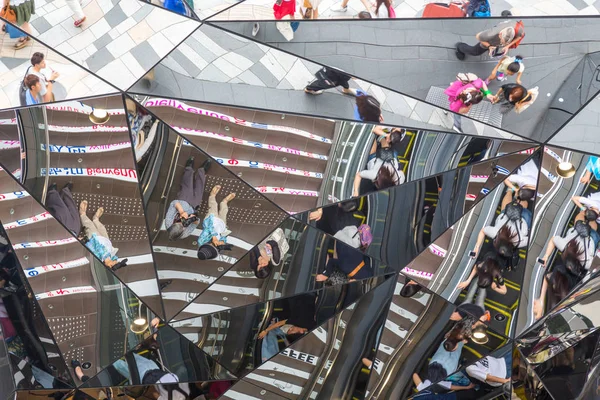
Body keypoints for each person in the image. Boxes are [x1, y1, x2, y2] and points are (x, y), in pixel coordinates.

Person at [165, 157, 211, 241]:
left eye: (180, 221)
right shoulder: (185, 234)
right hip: (193, 207)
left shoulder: (168, 222)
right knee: (199, 188)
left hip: (183, 200)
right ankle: (202, 170)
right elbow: (196, 223)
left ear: (173, 223)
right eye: (183, 225)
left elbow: (174, 203)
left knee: (187, 184)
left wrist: (181, 212)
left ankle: (188, 168)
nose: (182, 221)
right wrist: (193, 219)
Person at [352, 129, 405, 197]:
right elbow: (358, 175)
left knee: (386, 148)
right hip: (375, 159)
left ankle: (382, 137)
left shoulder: (399, 179)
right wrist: (356, 191)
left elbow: (401, 172)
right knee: (373, 151)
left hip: (391, 156)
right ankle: (373, 136)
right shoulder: (374, 175)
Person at [79, 200, 127, 270]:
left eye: (113, 264)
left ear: (109, 266)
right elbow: (114, 257)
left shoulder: (99, 258)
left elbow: (90, 247)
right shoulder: (111, 258)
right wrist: (118, 262)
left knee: (90, 225)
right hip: (106, 241)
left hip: (95, 238)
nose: (114, 263)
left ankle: (82, 213)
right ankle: (96, 219)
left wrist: (84, 240)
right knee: (102, 228)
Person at [196, 185, 235, 261]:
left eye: (211, 246)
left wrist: (214, 238)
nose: (214, 246)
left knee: (213, 205)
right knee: (224, 212)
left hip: (211, 221)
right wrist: (223, 241)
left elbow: (208, 228)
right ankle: (225, 201)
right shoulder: (216, 250)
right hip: (221, 227)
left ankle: (212, 195)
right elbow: (224, 236)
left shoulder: (201, 241)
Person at [455, 20, 525, 60]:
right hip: (489, 42)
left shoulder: (519, 30)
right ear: (500, 34)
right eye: (502, 41)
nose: (502, 44)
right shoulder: (489, 35)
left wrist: (507, 46)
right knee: (475, 52)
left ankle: (493, 48)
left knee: (495, 49)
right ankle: (460, 47)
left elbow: (519, 37)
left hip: (495, 43)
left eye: (504, 43)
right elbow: (478, 36)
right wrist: (489, 46)